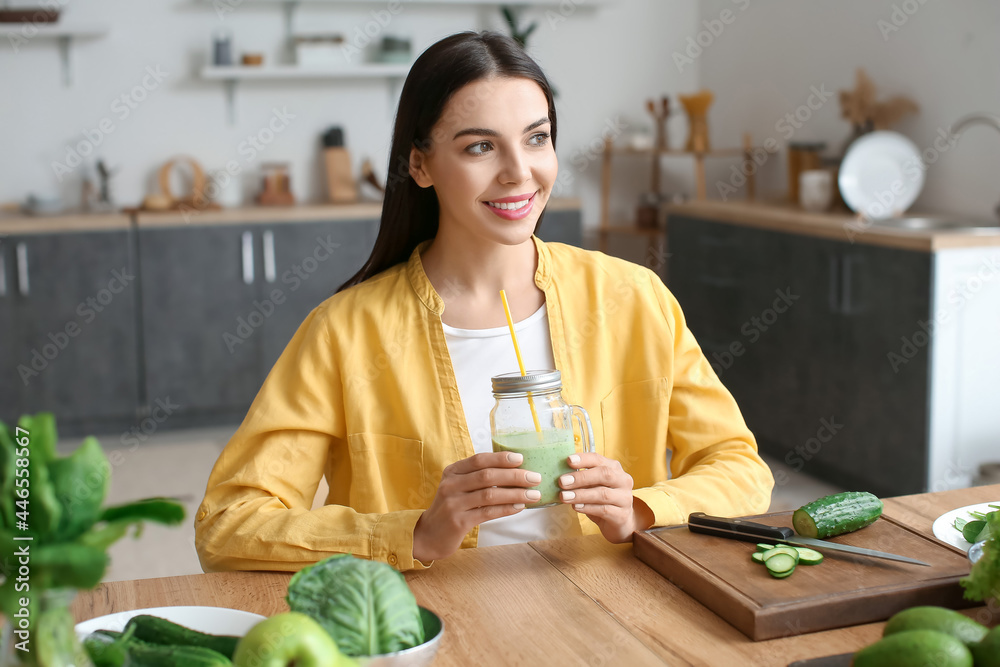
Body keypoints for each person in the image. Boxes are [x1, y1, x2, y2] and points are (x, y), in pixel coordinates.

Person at [194, 31, 774, 573]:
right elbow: (229, 525)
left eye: (537, 137)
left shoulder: (634, 298)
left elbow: (740, 468)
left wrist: (643, 509)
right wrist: (414, 533)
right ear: (419, 164)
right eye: (479, 147)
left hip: (607, 614)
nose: (519, 174)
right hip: (438, 630)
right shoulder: (345, 332)